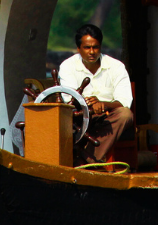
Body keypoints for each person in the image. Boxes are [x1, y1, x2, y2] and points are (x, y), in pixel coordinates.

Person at [57, 23, 133, 164]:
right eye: (87, 47)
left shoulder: (116, 66)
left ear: (100, 47)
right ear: (78, 49)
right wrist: (90, 105)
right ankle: (90, 160)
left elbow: (124, 101)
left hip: (108, 118)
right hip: (80, 118)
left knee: (125, 114)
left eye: (95, 47)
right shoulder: (68, 66)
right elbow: (68, 99)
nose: (91, 52)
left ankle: (86, 160)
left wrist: (103, 104)